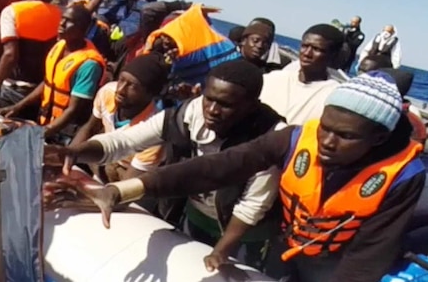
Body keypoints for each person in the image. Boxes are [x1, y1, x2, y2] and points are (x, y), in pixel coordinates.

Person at [51, 72, 425, 282]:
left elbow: (367, 258)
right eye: (326, 127)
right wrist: (122, 190)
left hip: (341, 264)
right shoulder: (295, 137)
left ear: (377, 138)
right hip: (289, 246)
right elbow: (218, 166)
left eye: (345, 136)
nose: (327, 141)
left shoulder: (405, 177)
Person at [61, 59, 285, 269]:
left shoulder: (271, 135)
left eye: (226, 105)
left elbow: (253, 205)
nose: (212, 110)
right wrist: (75, 152)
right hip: (196, 216)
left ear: (252, 106)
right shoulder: (191, 111)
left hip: (244, 234)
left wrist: (220, 252)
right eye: (209, 99)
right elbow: (125, 141)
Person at [0, 5, 105, 144]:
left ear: (83, 28)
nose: (62, 24)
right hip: (47, 124)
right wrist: (17, 107)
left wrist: (39, 134)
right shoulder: (60, 46)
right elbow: (48, 83)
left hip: (66, 134)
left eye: (69, 21)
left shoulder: (89, 65)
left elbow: (74, 110)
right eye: (62, 19)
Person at [70, 53, 170, 183]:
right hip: (106, 163)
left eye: (132, 86)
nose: (121, 90)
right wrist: (66, 157)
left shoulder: (155, 131)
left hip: (135, 177)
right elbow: (89, 128)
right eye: (121, 80)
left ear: (150, 94)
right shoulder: (107, 93)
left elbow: (127, 186)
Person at [259, 24, 342, 126]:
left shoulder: (333, 96)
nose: (307, 53)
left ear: (333, 55)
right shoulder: (272, 79)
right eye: (304, 46)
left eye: (316, 49)